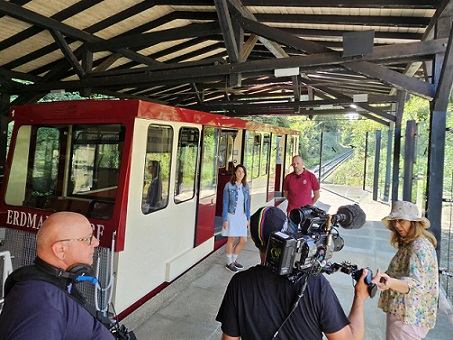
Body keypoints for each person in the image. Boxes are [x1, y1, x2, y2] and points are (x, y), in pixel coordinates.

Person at [216, 206, 372, 340]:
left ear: (254, 239)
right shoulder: (314, 283)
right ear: (288, 233)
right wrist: (360, 296)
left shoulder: (239, 283)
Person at [0, 212, 115, 340]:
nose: (96, 242)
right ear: (61, 250)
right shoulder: (41, 306)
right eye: (87, 239)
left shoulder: (57, 281)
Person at [374, 201, 439, 340]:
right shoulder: (417, 243)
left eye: (401, 220)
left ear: (413, 222)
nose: (397, 225)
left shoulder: (417, 247)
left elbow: (416, 284)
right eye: (395, 221)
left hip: (407, 317)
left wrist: (389, 282)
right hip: (410, 316)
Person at [222, 164, 251, 273]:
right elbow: (225, 203)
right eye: (239, 171)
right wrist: (225, 219)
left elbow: (247, 203)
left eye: (243, 172)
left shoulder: (245, 187)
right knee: (232, 239)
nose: (241, 174)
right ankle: (229, 262)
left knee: (243, 240)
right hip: (232, 215)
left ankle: (234, 259)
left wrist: (248, 218)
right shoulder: (228, 186)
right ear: (235, 173)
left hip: (242, 216)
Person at [283, 155, 320, 233]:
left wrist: (309, 205)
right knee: (291, 236)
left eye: (297, 163)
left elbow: (317, 195)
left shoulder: (311, 176)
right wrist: (293, 202)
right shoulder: (288, 177)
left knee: (307, 235)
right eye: (293, 164)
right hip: (292, 212)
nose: (295, 166)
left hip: (307, 212)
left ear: (302, 163)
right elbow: (286, 194)